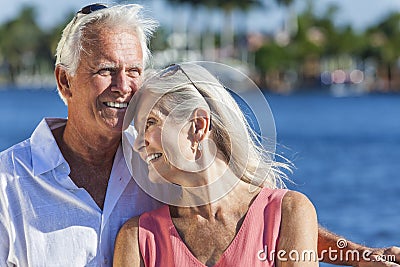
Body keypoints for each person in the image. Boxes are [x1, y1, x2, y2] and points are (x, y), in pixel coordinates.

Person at [0, 2, 398, 267]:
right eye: (105, 70)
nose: (123, 86)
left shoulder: (157, 165)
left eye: (134, 71)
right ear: (64, 81)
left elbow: (254, 222)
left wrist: (359, 255)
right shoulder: (7, 185)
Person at [113, 62, 319, 266]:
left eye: (150, 123)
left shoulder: (288, 213)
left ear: (198, 126)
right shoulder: (138, 238)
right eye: (138, 131)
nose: (139, 143)